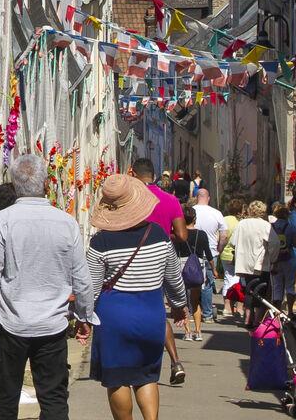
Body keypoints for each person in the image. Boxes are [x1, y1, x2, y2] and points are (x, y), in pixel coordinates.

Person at [0, 154, 99, 420]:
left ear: (15, 184)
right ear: (46, 184)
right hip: (52, 326)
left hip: (11, 324)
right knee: (54, 399)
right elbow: (82, 277)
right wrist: (84, 316)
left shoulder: (3, 220)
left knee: (4, 399)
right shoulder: (66, 223)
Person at [87, 174, 189, 420]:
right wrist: (178, 306)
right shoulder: (158, 235)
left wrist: (83, 317)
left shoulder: (100, 242)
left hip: (114, 316)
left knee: (117, 377)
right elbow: (174, 276)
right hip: (151, 313)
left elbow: (90, 287)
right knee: (147, 375)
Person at [128, 158, 184, 379]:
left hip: (130, 260)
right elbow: (182, 235)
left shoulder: (129, 199)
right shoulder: (170, 200)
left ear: (132, 174)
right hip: (160, 260)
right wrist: (160, 236)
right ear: (155, 175)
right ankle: (176, 361)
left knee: (129, 310)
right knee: (158, 313)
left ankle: (135, 360)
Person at [231, 199, 273, 326]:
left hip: (244, 264)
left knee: (249, 291)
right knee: (261, 292)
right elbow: (275, 243)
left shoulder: (242, 223)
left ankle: (248, 318)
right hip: (260, 264)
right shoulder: (265, 225)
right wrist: (272, 257)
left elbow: (233, 242)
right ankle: (257, 320)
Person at [173, 207, 212, 342]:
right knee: (195, 301)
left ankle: (188, 332)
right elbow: (208, 253)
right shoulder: (201, 234)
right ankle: (199, 331)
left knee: (183, 301)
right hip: (198, 267)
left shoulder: (178, 234)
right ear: (195, 218)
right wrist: (214, 269)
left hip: (181, 267)